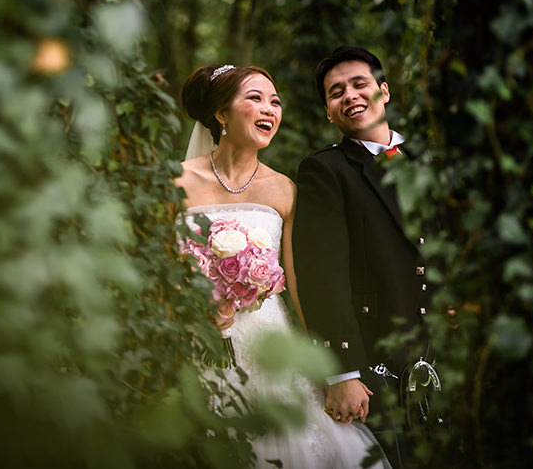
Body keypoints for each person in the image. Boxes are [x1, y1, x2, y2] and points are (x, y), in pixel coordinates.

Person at [174, 63, 391, 469]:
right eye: (254, 98)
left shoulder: (283, 189)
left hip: (271, 349)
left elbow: (301, 287)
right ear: (220, 114)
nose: (269, 109)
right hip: (192, 344)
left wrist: (336, 375)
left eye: (275, 101)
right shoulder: (176, 183)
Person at [292, 46, 433, 469]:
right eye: (336, 92)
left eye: (360, 84)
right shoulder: (326, 171)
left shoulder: (432, 159)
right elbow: (323, 275)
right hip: (377, 362)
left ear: (383, 91)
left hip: (445, 348)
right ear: (330, 113)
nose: (349, 95)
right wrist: (343, 372)